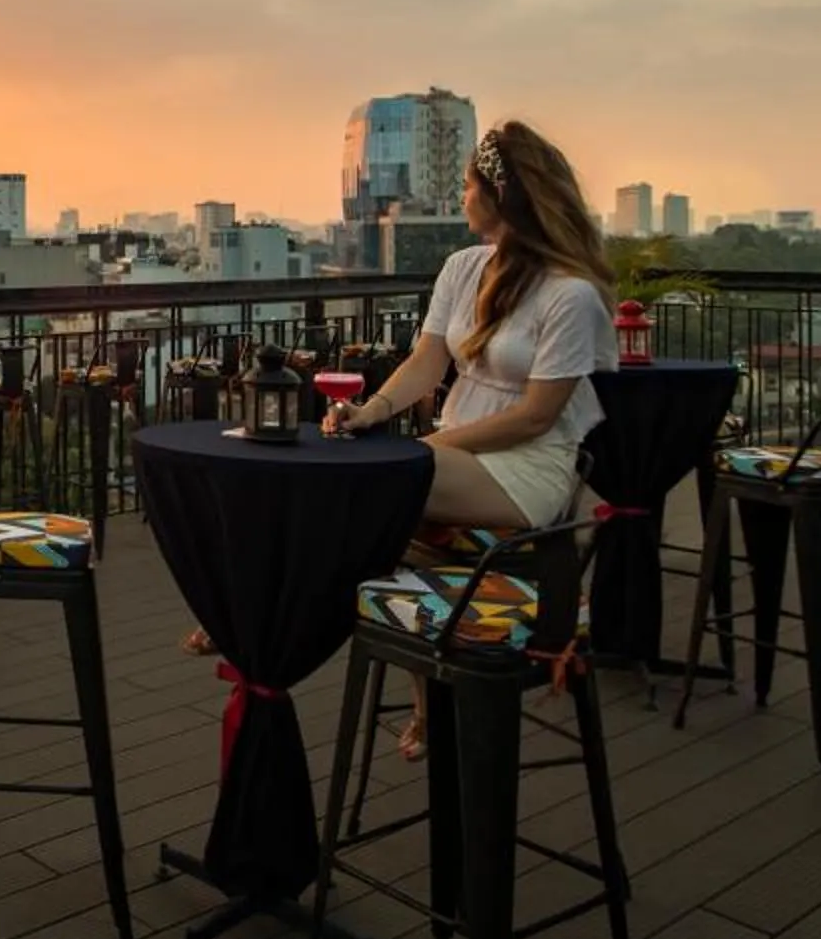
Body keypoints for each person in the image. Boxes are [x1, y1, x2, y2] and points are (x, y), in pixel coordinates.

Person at [184, 120, 616, 761]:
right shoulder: (465, 268)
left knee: (370, 492)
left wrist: (434, 447)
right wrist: (372, 412)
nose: (461, 199)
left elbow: (534, 418)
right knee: (374, 513)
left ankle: (254, 613)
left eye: (469, 187)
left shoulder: (569, 295)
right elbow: (426, 363)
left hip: (526, 471)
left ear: (503, 199)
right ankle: (420, 701)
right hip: (455, 452)